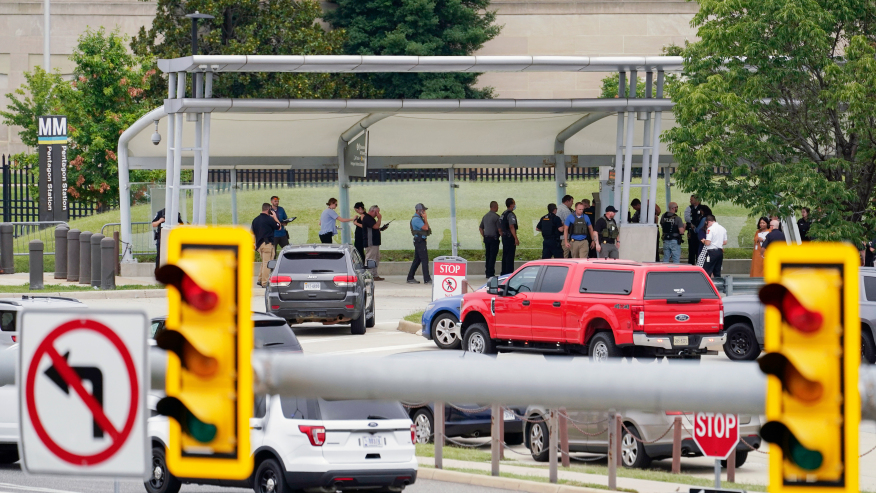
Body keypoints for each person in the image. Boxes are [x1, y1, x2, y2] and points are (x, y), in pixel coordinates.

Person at [251, 203, 282, 287]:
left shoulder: (255, 220)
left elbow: (253, 233)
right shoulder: (269, 219)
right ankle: (264, 283)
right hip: (267, 244)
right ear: (268, 210)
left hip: (259, 245)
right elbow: (279, 226)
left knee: (264, 262)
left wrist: (254, 244)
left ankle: (260, 279)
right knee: (267, 263)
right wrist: (275, 217)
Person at [151, 208, 184, 273]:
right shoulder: (160, 213)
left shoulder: (176, 214)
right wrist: (160, 221)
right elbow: (153, 224)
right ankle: (158, 271)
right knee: (159, 255)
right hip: (160, 237)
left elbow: (181, 224)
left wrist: (177, 224)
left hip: (172, 237)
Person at [407, 203, 432, 284]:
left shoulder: (418, 218)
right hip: (420, 241)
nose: (424, 211)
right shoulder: (416, 219)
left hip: (420, 241)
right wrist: (425, 218)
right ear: (419, 210)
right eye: (423, 210)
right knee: (424, 260)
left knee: (417, 260)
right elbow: (425, 227)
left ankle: (410, 277)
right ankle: (427, 279)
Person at [479, 201, 503, 278]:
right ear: (495, 207)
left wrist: (484, 236)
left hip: (486, 238)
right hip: (494, 239)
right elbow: (499, 229)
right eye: (497, 206)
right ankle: (491, 273)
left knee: (488, 255)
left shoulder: (485, 216)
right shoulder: (496, 217)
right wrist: (502, 236)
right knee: (492, 256)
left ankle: (487, 272)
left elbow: (480, 228)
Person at [363, 205, 384, 281]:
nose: (377, 214)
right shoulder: (367, 218)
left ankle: (374, 274)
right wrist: (379, 218)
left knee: (375, 258)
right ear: (372, 211)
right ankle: (368, 274)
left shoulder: (371, 219)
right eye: (377, 212)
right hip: (370, 242)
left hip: (375, 241)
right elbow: (375, 226)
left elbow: (376, 228)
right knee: (370, 258)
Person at [500, 198, 519, 275]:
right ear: (511, 205)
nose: (514, 205)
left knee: (505, 255)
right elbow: (511, 226)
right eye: (514, 203)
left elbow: (500, 226)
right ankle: (509, 273)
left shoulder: (503, 214)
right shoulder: (510, 215)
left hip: (504, 237)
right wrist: (515, 238)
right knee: (510, 256)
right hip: (509, 237)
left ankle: (503, 272)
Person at [685, 195, 702, 265]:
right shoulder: (689, 208)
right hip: (691, 232)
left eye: (691, 200)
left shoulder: (703, 208)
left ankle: (699, 264)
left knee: (700, 249)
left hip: (700, 232)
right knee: (691, 249)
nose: (690, 201)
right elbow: (687, 218)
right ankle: (691, 264)